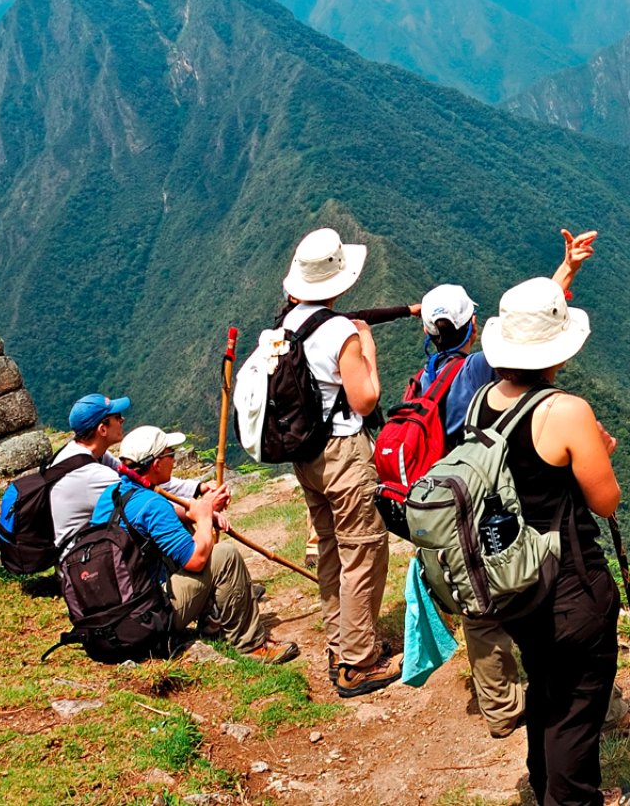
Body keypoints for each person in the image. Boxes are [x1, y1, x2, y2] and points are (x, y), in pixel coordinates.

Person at [412, 229, 597, 738]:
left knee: (478, 606)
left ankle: (499, 707)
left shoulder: (427, 377)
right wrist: (565, 275)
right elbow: (532, 340)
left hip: (449, 504)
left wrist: (566, 273)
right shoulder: (478, 371)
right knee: (522, 597)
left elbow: (526, 329)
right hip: (493, 502)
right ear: (473, 329)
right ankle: (570, 699)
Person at [478, 276, 622, 806]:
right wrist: (601, 450)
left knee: (546, 688)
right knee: (577, 706)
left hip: (512, 583)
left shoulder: (480, 404)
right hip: (570, 585)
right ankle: (573, 799)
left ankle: (544, 789)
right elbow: (605, 502)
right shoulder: (564, 410)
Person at [279, 227, 401, 696]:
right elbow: (366, 399)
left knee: (331, 547)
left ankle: (341, 643)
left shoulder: (286, 326)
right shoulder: (341, 332)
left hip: (306, 455)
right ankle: (358, 662)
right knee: (364, 550)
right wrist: (367, 345)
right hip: (344, 452)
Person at [88, 425, 298, 663]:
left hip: (117, 614)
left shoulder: (112, 494)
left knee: (186, 530)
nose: (174, 460)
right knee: (225, 556)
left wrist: (193, 513)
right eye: (170, 455)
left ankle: (213, 621)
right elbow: (196, 561)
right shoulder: (151, 505)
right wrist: (205, 518)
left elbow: (158, 516)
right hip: (146, 619)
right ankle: (250, 645)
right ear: (156, 464)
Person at [49, 392, 216, 547]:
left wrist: (198, 488)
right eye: (117, 417)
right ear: (102, 429)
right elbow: (144, 501)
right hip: (88, 560)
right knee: (170, 524)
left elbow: (139, 477)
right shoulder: (92, 475)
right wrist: (202, 511)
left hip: (98, 542)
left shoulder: (84, 452)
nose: (123, 420)